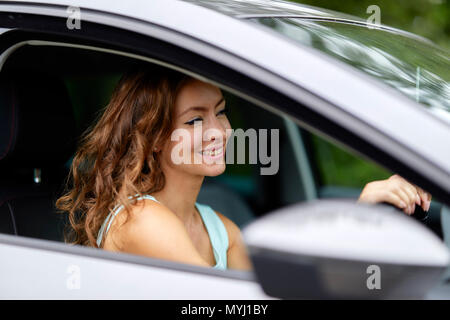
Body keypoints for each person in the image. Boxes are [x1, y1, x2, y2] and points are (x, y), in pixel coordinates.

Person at [55, 65, 432, 271]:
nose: (219, 131)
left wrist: (361, 212)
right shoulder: (140, 220)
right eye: (194, 121)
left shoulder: (221, 229)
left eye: (220, 112)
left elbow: (277, 288)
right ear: (154, 137)